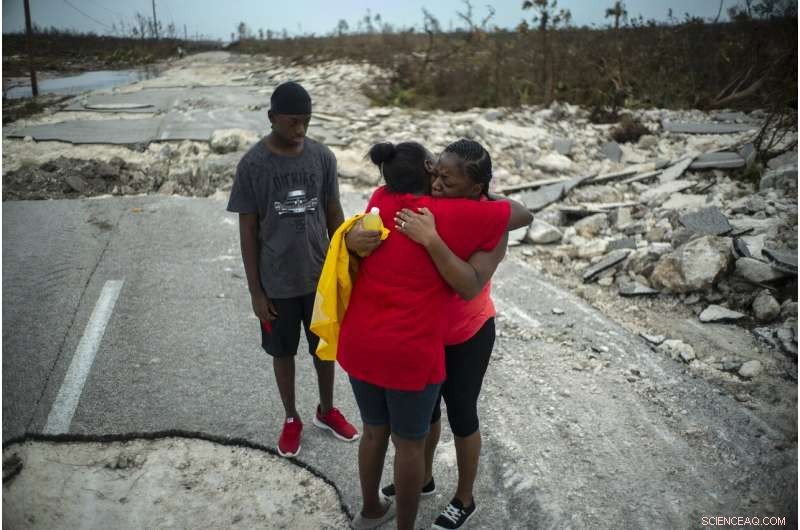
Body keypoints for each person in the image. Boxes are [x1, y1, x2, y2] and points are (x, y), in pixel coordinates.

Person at [339, 141, 529, 530]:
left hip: (464, 332)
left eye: (447, 179)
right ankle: (422, 478)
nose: (437, 184)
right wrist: (350, 236)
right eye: (435, 172)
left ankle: (464, 498)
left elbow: (470, 285)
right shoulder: (431, 207)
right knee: (426, 418)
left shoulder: (484, 219)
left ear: (476, 189)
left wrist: (432, 239)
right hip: (425, 335)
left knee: (462, 416)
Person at [227, 81, 358, 458]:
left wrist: (347, 265)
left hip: (319, 277)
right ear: (272, 118)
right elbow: (248, 229)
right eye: (292, 123)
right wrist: (256, 291)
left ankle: (326, 410)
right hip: (277, 282)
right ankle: (290, 418)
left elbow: (334, 212)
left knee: (325, 349)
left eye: (306, 122)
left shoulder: (322, 157)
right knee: (282, 353)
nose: (300, 130)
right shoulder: (253, 165)